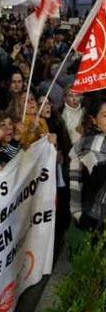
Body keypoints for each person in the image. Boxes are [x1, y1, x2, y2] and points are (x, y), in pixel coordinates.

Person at [68, 93, 106, 230]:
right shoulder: (86, 146)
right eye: (105, 116)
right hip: (94, 221)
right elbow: (75, 183)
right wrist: (77, 214)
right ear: (94, 120)